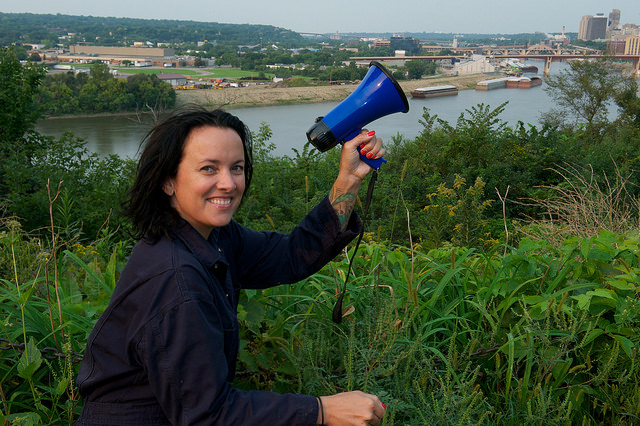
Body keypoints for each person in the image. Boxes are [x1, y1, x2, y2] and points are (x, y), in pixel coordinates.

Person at [76, 105, 387, 425]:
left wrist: (348, 180)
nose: (228, 183)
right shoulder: (176, 284)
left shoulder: (210, 237)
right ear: (168, 182)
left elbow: (291, 256)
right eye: (209, 169)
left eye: (236, 167)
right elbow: (207, 416)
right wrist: (321, 410)